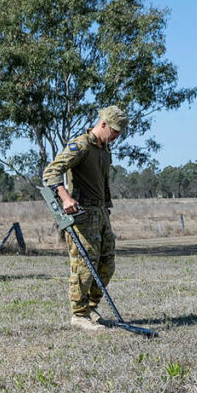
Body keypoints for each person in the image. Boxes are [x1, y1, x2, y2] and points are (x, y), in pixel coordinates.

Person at [42, 105, 127, 331]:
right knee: (84, 266)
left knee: (107, 263)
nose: (117, 136)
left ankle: (91, 308)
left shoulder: (105, 149)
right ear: (103, 124)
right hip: (82, 214)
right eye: (115, 131)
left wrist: (106, 209)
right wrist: (65, 197)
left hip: (101, 213)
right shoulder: (80, 145)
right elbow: (51, 172)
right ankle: (78, 314)